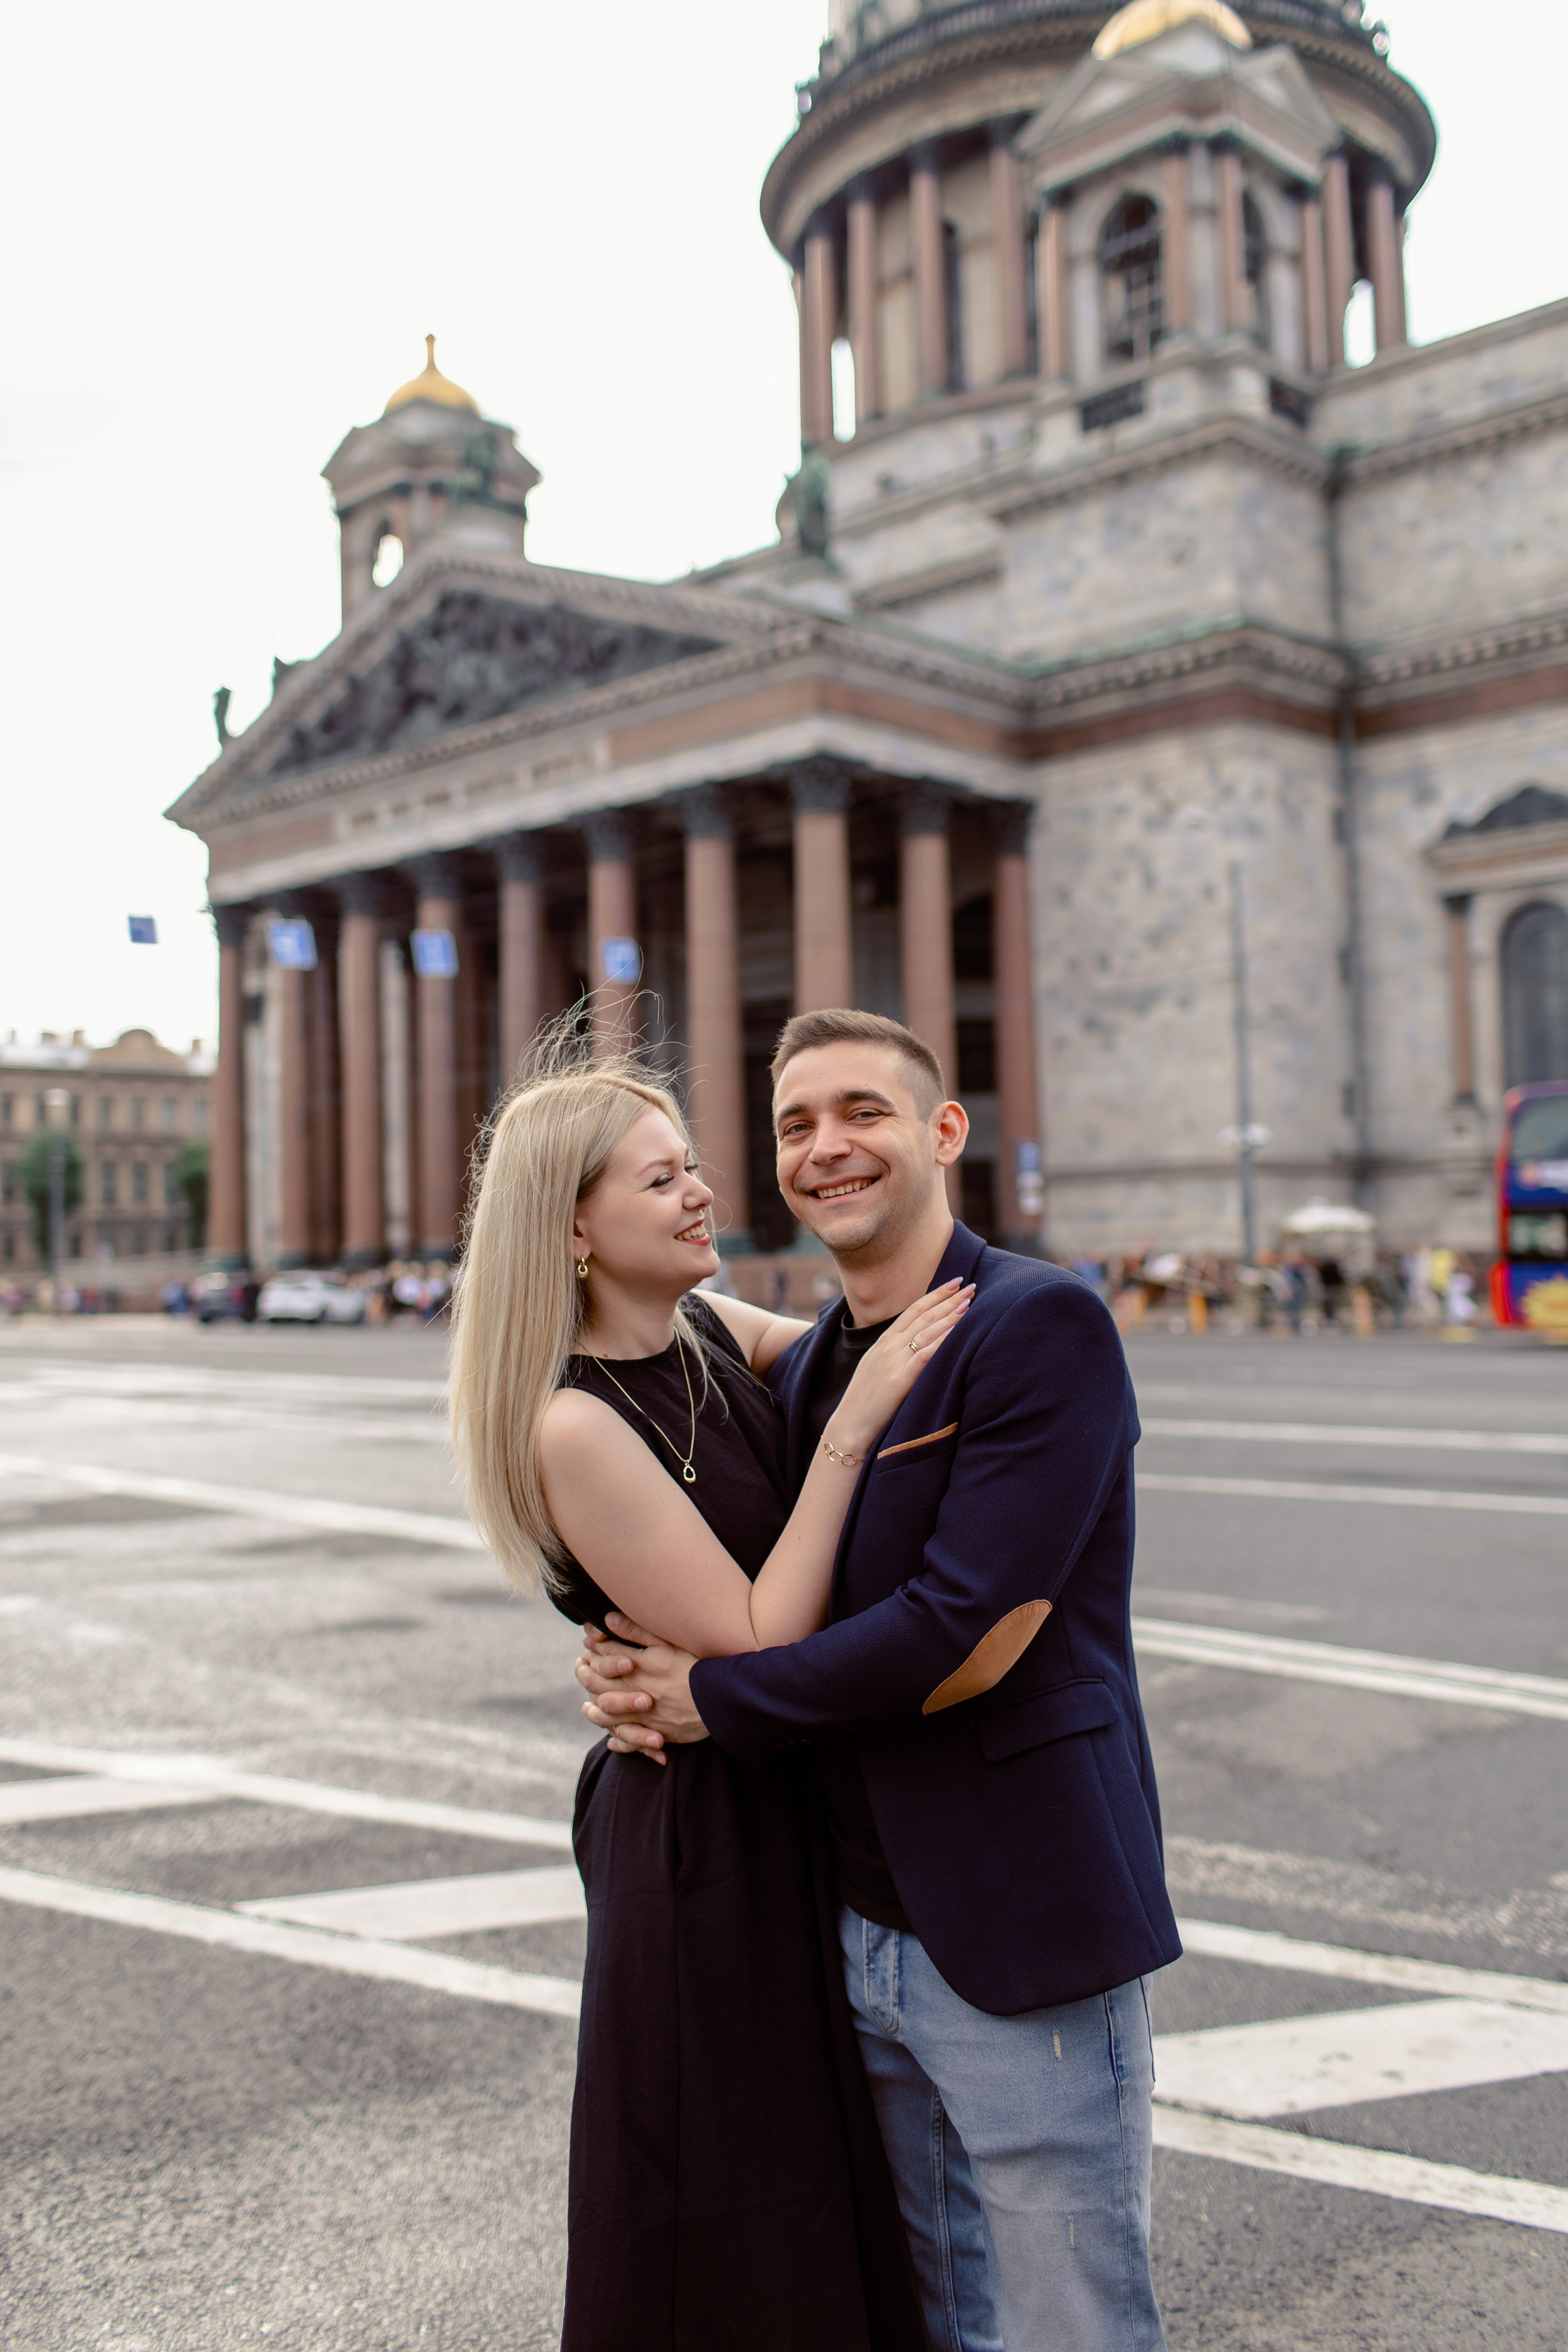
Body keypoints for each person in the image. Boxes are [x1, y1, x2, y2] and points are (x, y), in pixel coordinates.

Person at [580, 1008, 1178, 2352]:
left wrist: (707, 1699)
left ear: (943, 1131)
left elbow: (971, 1634)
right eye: (795, 1125)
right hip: (849, 1921)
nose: (825, 1148)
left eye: (862, 1112)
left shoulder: (1039, 1324)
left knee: (1064, 2318)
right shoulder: (819, 1363)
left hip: (1012, 1918)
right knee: (934, 2310)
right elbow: (646, 1312)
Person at [448, 1023, 971, 2352]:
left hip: (777, 1804)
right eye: (660, 1179)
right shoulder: (571, 1420)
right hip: (701, 1851)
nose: (702, 1195)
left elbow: (860, 1349)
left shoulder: (703, 1332)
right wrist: (848, 1440)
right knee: (733, 2191)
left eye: (691, 1168)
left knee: (821, 2165)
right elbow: (750, 1631)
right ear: (571, 1228)